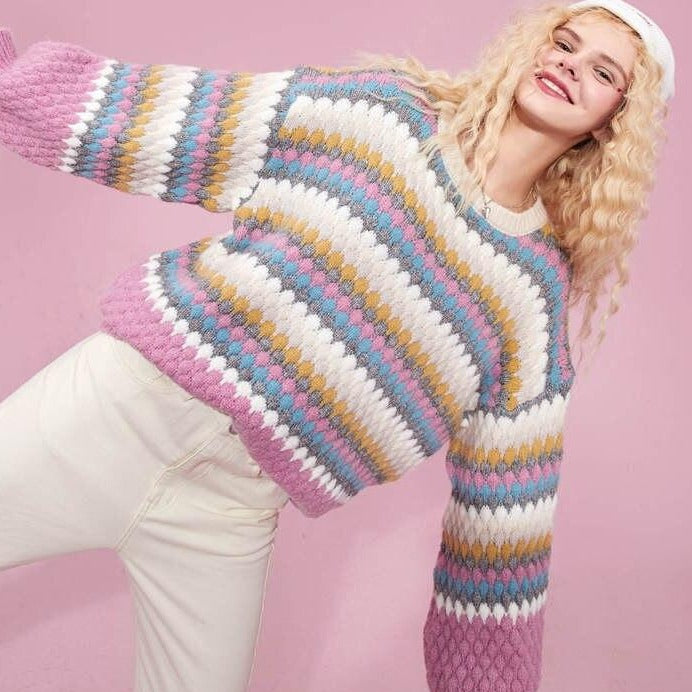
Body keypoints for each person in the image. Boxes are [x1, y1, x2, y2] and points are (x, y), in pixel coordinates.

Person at [0, 0, 674, 689]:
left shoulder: (532, 295)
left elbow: (504, 520)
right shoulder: (381, 116)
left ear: (612, 122)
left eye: (603, 72)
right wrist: (15, 84)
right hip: (115, 411)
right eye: (564, 41)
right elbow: (185, 117)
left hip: (231, 511)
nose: (569, 65)